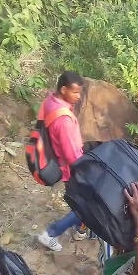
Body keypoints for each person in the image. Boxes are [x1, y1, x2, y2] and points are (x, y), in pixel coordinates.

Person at [35, 72, 87, 251]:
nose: (78, 96)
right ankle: (50, 233)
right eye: (75, 92)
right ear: (64, 89)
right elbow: (72, 155)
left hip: (55, 156)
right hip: (69, 167)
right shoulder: (64, 120)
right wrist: (85, 168)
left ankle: (80, 229)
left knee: (80, 201)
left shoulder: (51, 101)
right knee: (84, 206)